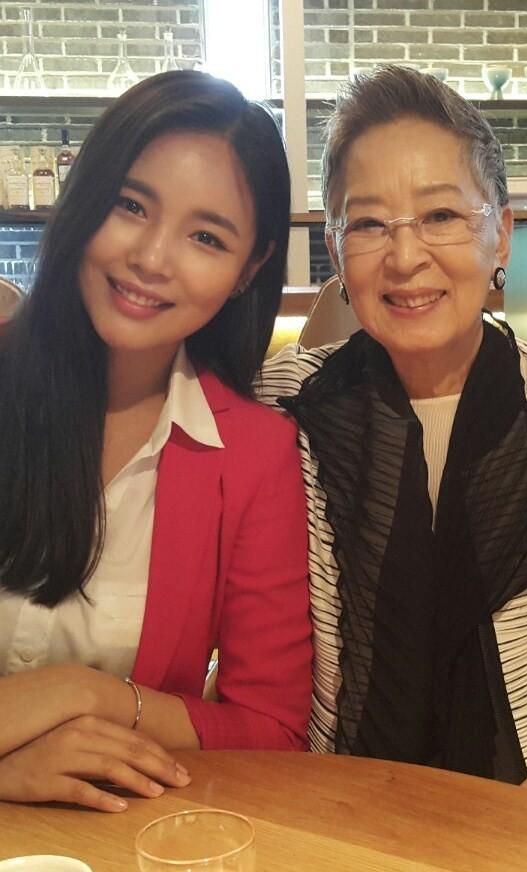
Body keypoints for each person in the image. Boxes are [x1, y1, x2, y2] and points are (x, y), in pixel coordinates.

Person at [0, 70, 312, 812]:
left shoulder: (255, 456)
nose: (151, 257)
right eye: (131, 205)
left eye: (206, 236)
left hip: (111, 837)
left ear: (249, 268)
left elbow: (271, 728)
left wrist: (88, 695)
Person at [260, 65, 527, 785]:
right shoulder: (279, 409)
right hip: (337, 812)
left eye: (441, 216)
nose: (406, 257)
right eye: (368, 224)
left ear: (501, 235)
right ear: (336, 250)